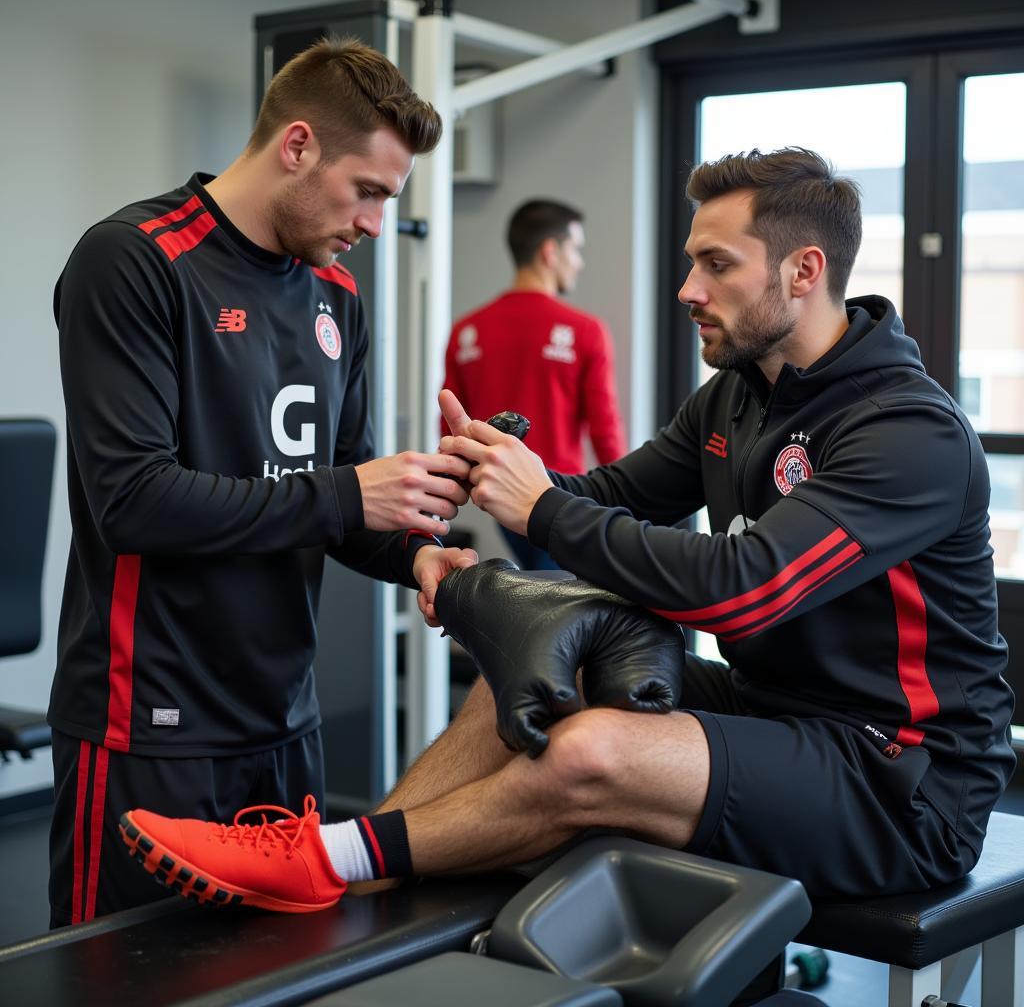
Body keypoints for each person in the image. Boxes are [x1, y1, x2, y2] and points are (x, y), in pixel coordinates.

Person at [116, 147, 1015, 913]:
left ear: (803, 272)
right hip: (779, 716)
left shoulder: (909, 431)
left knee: (589, 751)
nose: (686, 288)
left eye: (716, 264)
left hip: (903, 778)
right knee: (532, 669)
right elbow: (611, 492)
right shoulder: (739, 396)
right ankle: (347, 884)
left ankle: (327, 862)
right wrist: (485, 471)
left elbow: (747, 588)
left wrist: (541, 508)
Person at [47, 36, 479, 928]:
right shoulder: (134, 260)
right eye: (368, 192)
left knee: (274, 974)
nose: (372, 224)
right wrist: (351, 494)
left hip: (285, 719)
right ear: (297, 146)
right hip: (150, 721)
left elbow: (341, 505)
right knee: (115, 983)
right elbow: (133, 500)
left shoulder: (338, 301)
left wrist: (420, 556)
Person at [441, 199, 626, 570]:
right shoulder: (585, 332)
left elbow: (449, 427)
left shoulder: (467, 331)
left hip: (497, 500)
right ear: (550, 251)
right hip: (559, 503)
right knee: (558, 609)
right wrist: (624, 518)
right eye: (576, 249)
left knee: (538, 601)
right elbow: (605, 432)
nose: (580, 262)